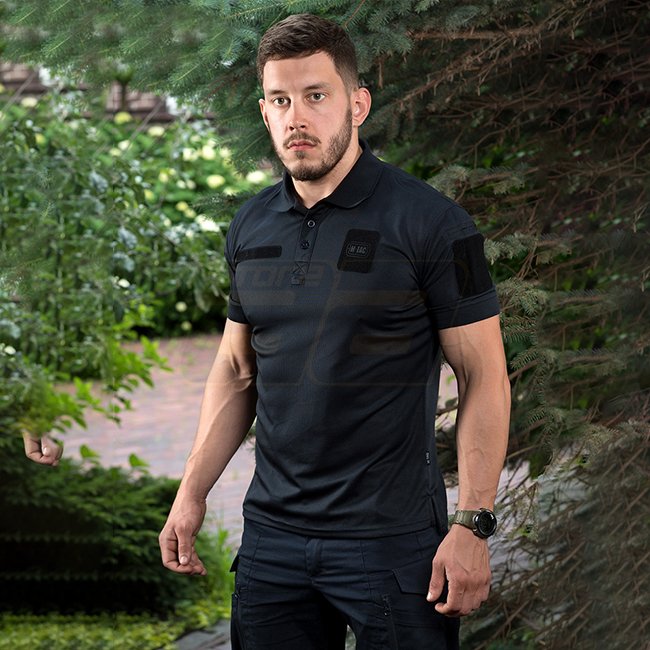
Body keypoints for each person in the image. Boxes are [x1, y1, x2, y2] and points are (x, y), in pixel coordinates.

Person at [159, 13, 510, 650]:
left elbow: (483, 375)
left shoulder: (437, 225)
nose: (297, 117)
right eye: (280, 100)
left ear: (357, 104)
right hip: (273, 543)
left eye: (316, 96)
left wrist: (473, 524)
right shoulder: (250, 226)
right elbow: (236, 372)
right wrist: (191, 492)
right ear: (265, 112)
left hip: (395, 544)